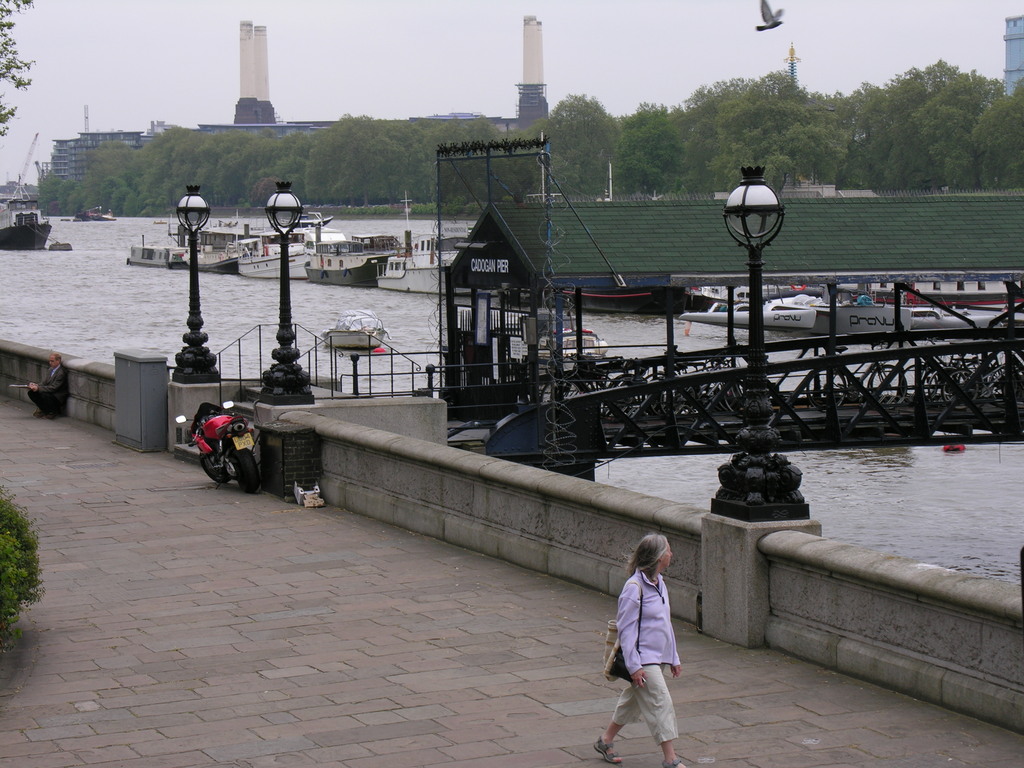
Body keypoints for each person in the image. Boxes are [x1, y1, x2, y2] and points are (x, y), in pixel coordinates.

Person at [595, 533, 684, 768]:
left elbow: (665, 624)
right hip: (643, 659)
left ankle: (605, 740)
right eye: (668, 550)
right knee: (660, 701)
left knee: (632, 700)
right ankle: (670, 759)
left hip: (658, 656)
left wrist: (673, 657)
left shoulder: (660, 583)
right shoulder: (633, 588)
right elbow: (626, 631)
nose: (671, 554)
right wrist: (634, 667)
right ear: (658, 557)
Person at [27, 352, 69, 420]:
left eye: (52, 361)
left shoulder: (61, 373)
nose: (50, 363)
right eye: (49, 361)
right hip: (50, 392)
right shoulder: (50, 369)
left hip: (57, 395)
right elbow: (45, 383)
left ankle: (52, 412)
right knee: (31, 393)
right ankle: (44, 410)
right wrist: (35, 385)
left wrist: (38, 388)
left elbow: (54, 388)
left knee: (43, 394)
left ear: (58, 361)